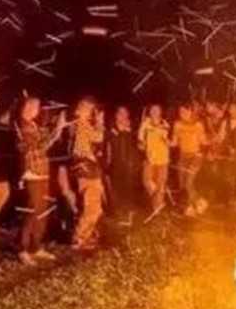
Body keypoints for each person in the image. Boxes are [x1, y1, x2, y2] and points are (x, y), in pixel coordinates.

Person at [16, 97, 61, 264]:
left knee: (41, 212)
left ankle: (36, 246)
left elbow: (45, 141)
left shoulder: (34, 125)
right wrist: (57, 130)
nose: (38, 110)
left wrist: (55, 129)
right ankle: (23, 249)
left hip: (42, 172)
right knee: (32, 211)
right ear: (28, 107)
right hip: (32, 173)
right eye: (36, 107)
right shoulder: (22, 126)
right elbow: (38, 146)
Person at [68, 97, 106, 249]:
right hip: (86, 168)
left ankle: (85, 236)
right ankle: (79, 238)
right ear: (78, 110)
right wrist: (100, 122)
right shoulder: (80, 125)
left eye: (90, 108)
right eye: (86, 108)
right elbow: (98, 137)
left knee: (95, 207)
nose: (90, 111)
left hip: (89, 167)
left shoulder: (82, 125)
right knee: (92, 207)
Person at [106, 105, 143, 226]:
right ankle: (119, 215)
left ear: (128, 115)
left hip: (130, 165)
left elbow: (139, 146)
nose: (122, 116)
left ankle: (128, 215)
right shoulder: (111, 130)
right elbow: (109, 146)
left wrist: (130, 133)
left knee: (129, 190)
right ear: (116, 115)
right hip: (116, 165)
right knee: (117, 190)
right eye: (120, 113)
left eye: (125, 113)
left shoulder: (133, 130)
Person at [173, 103, 208, 216]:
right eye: (180, 112)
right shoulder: (177, 124)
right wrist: (163, 140)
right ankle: (189, 207)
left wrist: (210, 142)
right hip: (183, 156)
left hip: (195, 156)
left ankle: (200, 202)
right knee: (182, 184)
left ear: (191, 111)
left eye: (185, 111)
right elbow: (174, 142)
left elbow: (204, 141)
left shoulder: (198, 124)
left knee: (188, 182)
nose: (182, 114)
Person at [138, 104, 171, 217]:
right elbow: (140, 140)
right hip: (150, 159)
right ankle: (157, 202)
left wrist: (166, 141)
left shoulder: (165, 124)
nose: (155, 112)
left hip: (163, 159)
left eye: (157, 110)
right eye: (152, 110)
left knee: (160, 185)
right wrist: (142, 145)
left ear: (161, 111)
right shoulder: (145, 124)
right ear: (149, 111)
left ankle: (157, 210)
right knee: (147, 182)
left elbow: (168, 141)